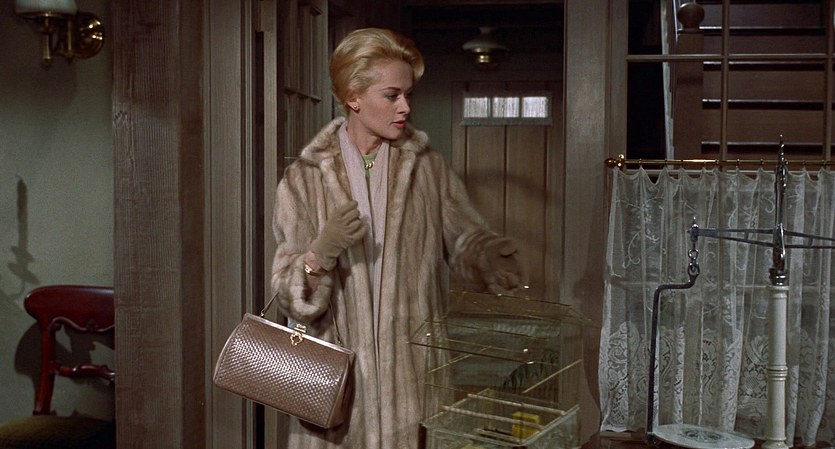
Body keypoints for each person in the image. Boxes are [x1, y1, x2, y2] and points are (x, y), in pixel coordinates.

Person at [270, 27, 526, 449]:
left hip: (413, 379)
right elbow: (288, 296)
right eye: (392, 95)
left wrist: (488, 255)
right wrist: (320, 253)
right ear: (354, 96)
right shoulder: (303, 179)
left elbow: (463, 238)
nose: (405, 106)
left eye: (408, 95)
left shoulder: (426, 168)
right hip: (334, 388)